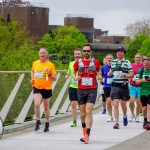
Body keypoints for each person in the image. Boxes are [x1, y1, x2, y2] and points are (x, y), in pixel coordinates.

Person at [73, 43, 101, 143]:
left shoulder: (96, 62)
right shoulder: (78, 62)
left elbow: (99, 72)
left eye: (88, 51)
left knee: (89, 110)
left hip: (92, 89)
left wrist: (99, 76)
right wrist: (74, 77)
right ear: (82, 52)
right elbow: (73, 72)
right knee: (83, 112)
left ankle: (87, 135)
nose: (86, 53)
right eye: (84, 51)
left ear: (91, 52)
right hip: (81, 89)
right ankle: (84, 130)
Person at [30, 48, 57, 132]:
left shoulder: (50, 65)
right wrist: (32, 79)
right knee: (37, 104)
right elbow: (32, 71)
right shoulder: (35, 63)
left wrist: (49, 74)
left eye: (44, 53)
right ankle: (38, 121)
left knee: (46, 107)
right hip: (37, 87)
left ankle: (47, 122)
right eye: (41, 53)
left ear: (46, 55)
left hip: (47, 88)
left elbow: (55, 78)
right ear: (39, 54)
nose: (42, 54)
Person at [108, 47, 134, 129]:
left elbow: (132, 74)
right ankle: (117, 122)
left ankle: (125, 115)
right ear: (116, 53)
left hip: (123, 86)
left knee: (123, 105)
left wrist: (125, 75)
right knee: (115, 104)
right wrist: (109, 73)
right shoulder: (114, 62)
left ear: (123, 53)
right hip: (115, 85)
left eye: (121, 52)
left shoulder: (127, 62)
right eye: (118, 52)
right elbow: (111, 71)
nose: (119, 53)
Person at [65, 48, 82, 127]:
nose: (77, 55)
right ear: (74, 55)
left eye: (78, 54)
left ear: (81, 55)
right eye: (76, 54)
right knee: (73, 104)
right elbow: (69, 71)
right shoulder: (71, 63)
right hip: (72, 86)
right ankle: (74, 121)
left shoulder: (83, 63)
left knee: (81, 105)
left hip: (81, 87)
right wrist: (67, 75)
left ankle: (83, 119)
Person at [135, 58, 150, 130]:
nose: (147, 66)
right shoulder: (140, 71)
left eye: (148, 64)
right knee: (144, 108)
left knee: (149, 107)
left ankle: (148, 122)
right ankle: (145, 119)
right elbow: (136, 82)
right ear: (143, 64)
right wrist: (143, 80)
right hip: (143, 92)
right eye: (145, 64)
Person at [129, 53, 143, 122]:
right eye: (136, 57)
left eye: (139, 57)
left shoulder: (144, 66)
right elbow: (128, 73)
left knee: (139, 102)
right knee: (131, 101)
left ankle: (137, 116)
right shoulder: (131, 65)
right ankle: (132, 114)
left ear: (141, 58)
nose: (137, 59)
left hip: (141, 87)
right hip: (132, 86)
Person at [101, 54, 114, 122]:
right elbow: (102, 75)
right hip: (106, 86)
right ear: (106, 59)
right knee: (108, 102)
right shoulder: (103, 67)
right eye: (108, 58)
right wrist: (101, 80)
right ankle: (110, 116)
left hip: (114, 86)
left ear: (112, 59)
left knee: (114, 103)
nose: (109, 59)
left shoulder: (115, 66)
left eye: (110, 58)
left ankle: (115, 114)